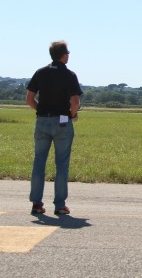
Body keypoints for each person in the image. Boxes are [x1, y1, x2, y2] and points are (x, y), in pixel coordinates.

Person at [26, 40, 84, 216]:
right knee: (61, 164)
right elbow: (75, 102)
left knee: (39, 163)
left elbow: (29, 98)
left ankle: (37, 203)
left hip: (42, 120)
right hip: (62, 122)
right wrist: (72, 114)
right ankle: (59, 205)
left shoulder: (40, 72)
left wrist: (42, 112)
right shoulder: (69, 75)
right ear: (63, 55)